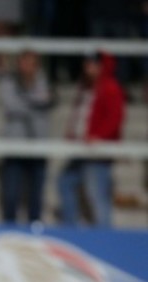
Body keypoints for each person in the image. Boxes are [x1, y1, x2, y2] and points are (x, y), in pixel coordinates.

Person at [58, 51, 125, 226]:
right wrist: (72, 134)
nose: (88, 67)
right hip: (81, 150)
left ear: (100, 66)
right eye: (86, 63)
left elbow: (115, 118)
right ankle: (70, 228)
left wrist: (100, 137)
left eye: (92, 63)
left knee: (97, 196)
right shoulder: (85, 88)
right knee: (65, 182)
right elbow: (80, 115)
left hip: (97, 153)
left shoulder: (110, 87)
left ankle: (106, 236)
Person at [0, 51, 53, 223]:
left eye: (31, 63)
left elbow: (48, 100)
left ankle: (34, 236)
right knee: (11, 197)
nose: (27, 67)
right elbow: (11, 105)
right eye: (24, 62)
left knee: (35, 200)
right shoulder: (9, 82)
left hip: (37, 149)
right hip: (14, 149)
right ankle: (9, 232)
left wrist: (26, 100)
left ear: (37, 66)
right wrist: (37, 103)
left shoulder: (43, 82)